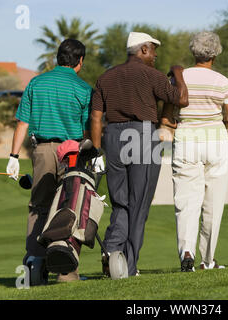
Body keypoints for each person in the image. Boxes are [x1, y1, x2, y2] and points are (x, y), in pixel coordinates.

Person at [90, 31, 189, 278]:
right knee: (139, 203)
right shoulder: (152, 75)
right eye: (153, 51)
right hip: (142, 135)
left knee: (120, 201)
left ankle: (112, 250)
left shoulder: (106, 76)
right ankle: (129, 267)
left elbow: (95, 117)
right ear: (143, 49)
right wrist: (177, 72)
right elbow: (182, 99)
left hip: (112, 136)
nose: (155, 56)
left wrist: (96, 150)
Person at [6, 39, 102, 283]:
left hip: (43, 151)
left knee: (39, 206)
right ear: (80, 61)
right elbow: (87, 131)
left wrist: (13, 156)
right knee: (71, 205)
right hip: (72, 152)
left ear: (58, 58)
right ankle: (66, 271)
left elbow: (23, 123)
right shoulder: (83, 89)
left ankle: (34, 264)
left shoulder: (36, 83)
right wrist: (94, 154)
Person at [161, 31, 228, 272]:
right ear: (215, 54)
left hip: (186, 140)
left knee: (186, 201)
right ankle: (208, 260)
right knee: (212, 204)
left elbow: (166, 118)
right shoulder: (223, 82)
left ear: (193, 52)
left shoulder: (178, 79)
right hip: (216, 141)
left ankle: (187, 252)